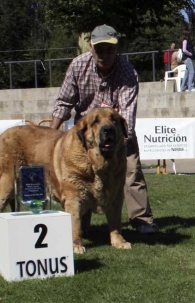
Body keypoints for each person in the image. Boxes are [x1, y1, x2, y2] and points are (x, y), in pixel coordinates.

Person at [50, 24, 158, 234]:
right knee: (81, 176)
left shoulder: (127, 72)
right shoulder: (77, 66)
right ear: (91, 47)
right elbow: (64, 102)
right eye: (100, 48)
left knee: (131, 170)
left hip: (118, 133)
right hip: (85, 134)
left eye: (110, 49)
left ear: (117, 49)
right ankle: (82, 223)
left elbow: (127, 113)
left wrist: (122, 144)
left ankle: (141, 221)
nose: (105, 54)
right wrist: (52, 131)